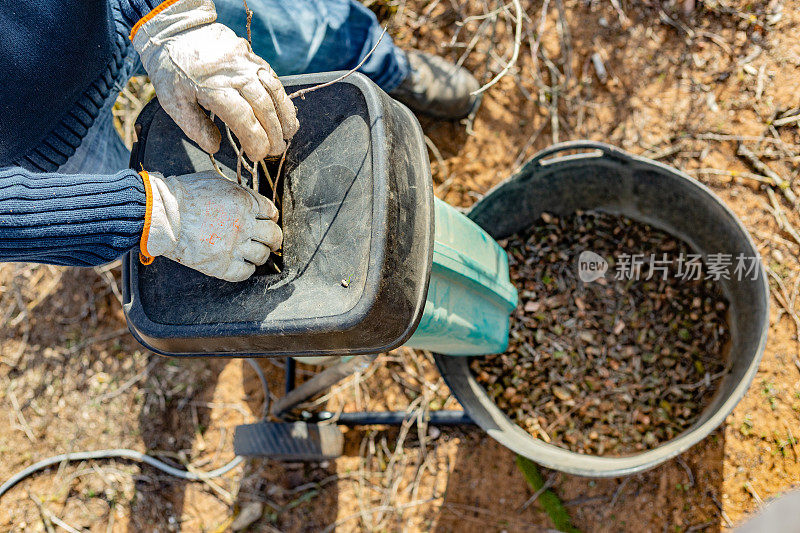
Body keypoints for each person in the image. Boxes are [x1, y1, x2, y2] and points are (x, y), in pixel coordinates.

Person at [0, 0, 480, 282]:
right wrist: (138, 214)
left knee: (293, 38)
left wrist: (172, 15)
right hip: (33, 153)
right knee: (181, 244)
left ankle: (383, 66)